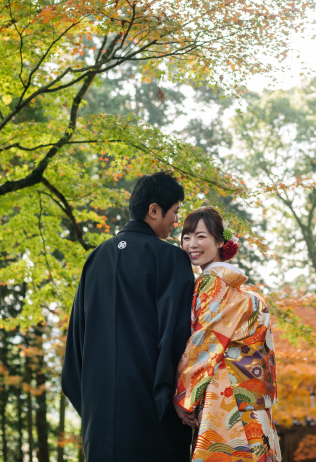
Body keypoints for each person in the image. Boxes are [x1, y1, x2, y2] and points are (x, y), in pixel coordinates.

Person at [62, 171, 196, 461]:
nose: (176, 221)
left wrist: (94, 410)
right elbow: (178, 338)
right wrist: (175, 402)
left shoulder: (95, 259)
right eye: (175, 212)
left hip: (99, 423)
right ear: (154, 210)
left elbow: (75, 345)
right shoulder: (171, 259)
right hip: (152, 421)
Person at [174, 207, 282, 462]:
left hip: (224, 394)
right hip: (250, 397)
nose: (191, 244)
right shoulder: (242, 292)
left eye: (201, 236)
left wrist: (184, 396)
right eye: (186, 237)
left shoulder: (211, 282)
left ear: (220, 242)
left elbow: (205, 343)